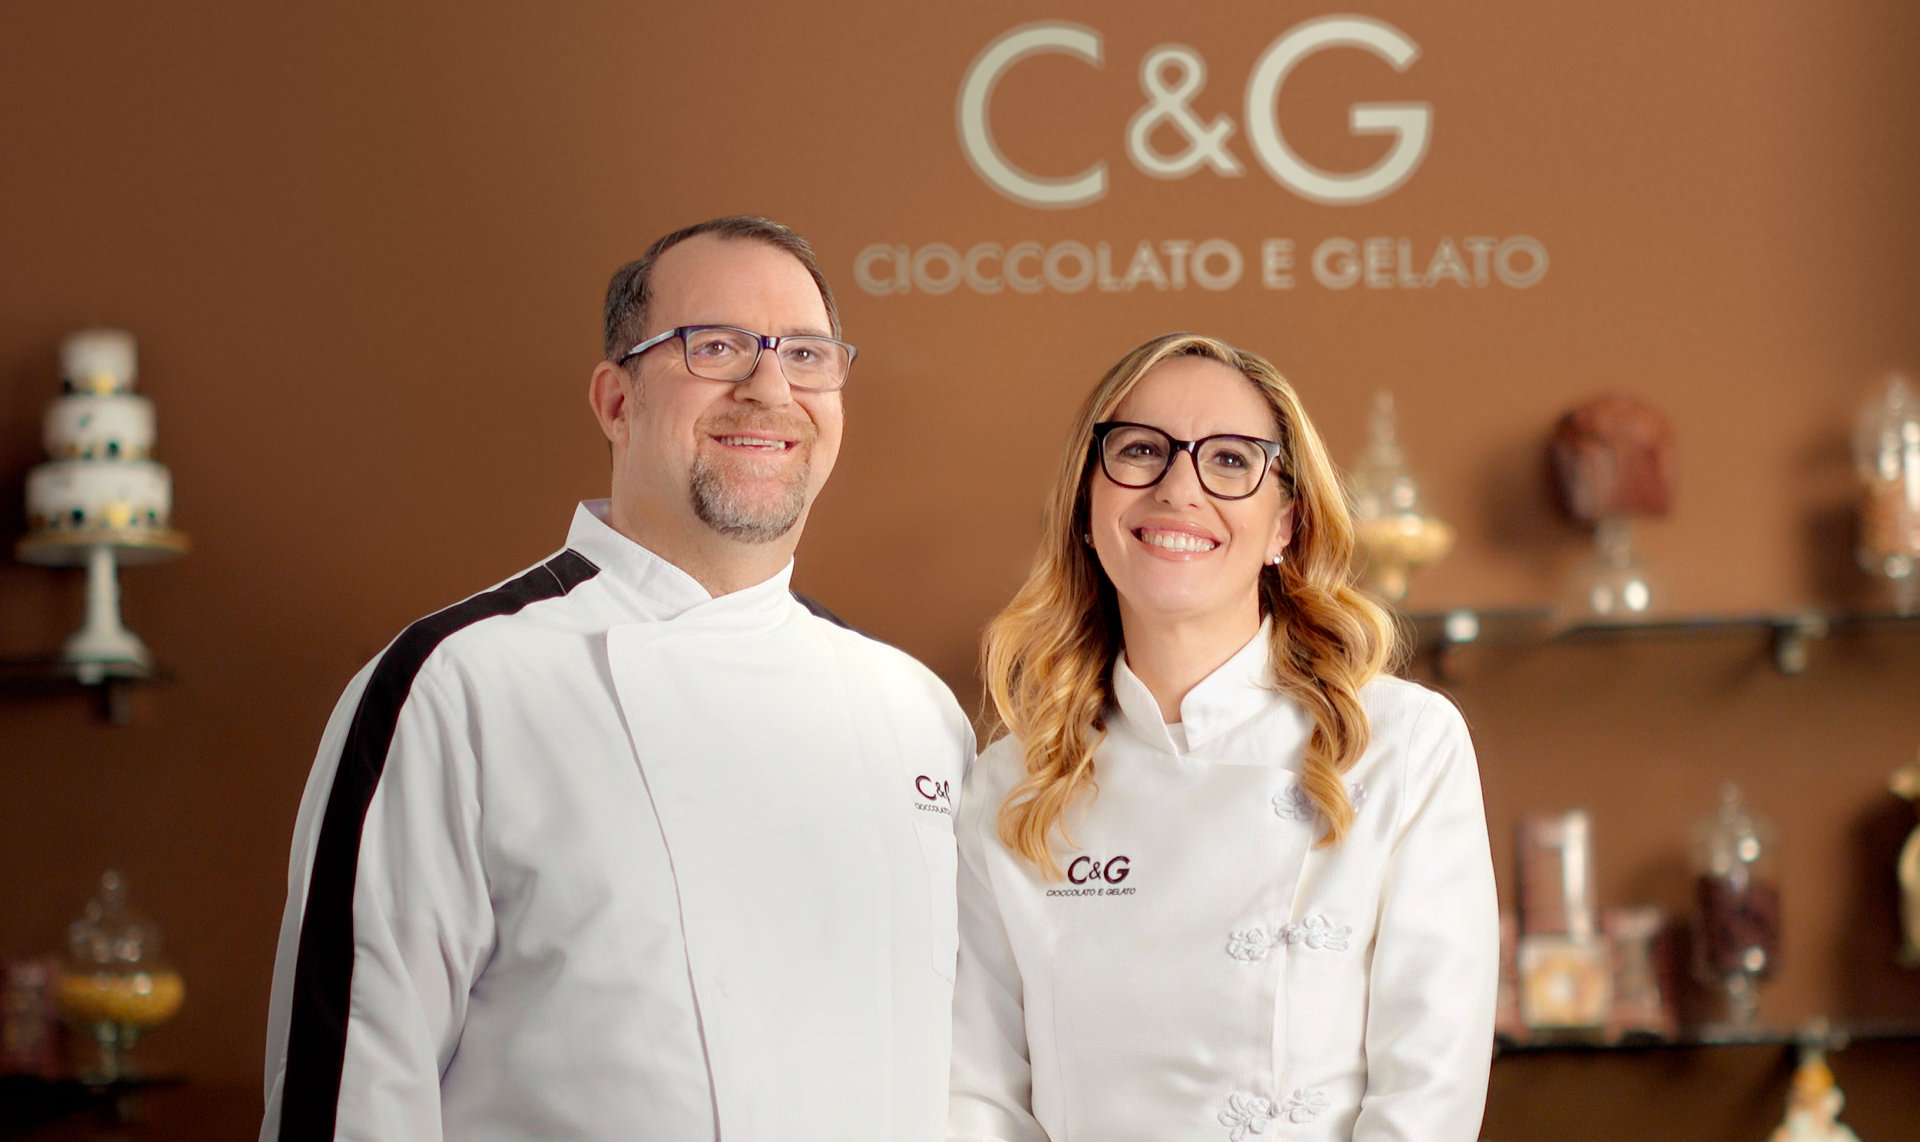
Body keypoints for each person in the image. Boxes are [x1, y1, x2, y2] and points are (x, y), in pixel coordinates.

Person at [260, 216, 973, 1142]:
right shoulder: (457, 687)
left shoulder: (914, 711)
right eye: (715, 346)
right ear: (616, 400)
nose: (770, 388)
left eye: (805, 354)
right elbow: (354, 1095)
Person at [948, 333, 1498, 1142]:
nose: (1179, 489)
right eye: (1140, 450)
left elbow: (1428, 1093)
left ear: (1284, 526)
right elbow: (979, 1097)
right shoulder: (1009, 787)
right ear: (1087, 510)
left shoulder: (1402, 743)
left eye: (1232, 461)